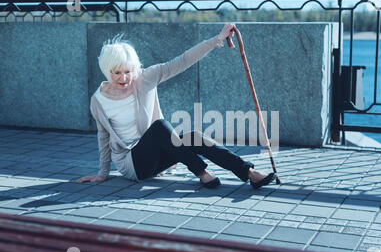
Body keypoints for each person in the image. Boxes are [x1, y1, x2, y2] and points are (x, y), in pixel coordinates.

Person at [76, 23, 276, 189]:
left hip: (160, 154)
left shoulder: (146, 78)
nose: (124, 78)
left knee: (193, 136)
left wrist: (218, 38)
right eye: (117, 73)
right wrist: (102, 173)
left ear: (134, 68)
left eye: (128, 71)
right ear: (106, 70)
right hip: (134, 165)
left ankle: (248, 173)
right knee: (159, 127)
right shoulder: (99, 100)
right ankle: (201, 172)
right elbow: (103, 136)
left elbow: (183, 60)